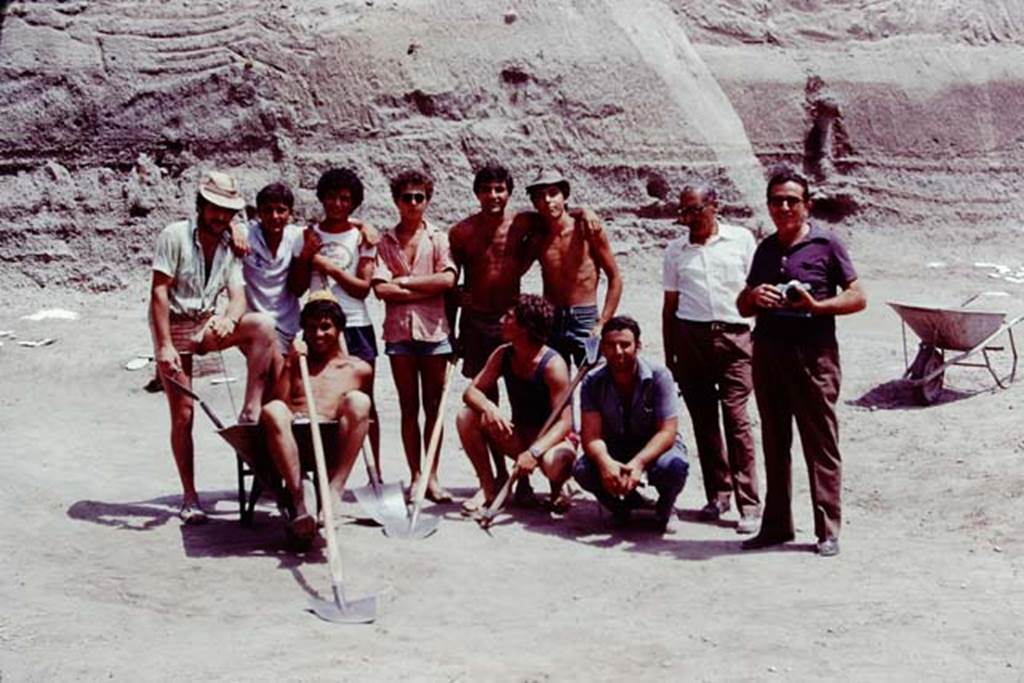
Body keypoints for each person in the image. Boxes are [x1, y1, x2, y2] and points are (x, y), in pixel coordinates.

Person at [736, 167, 866, 557]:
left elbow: (858, 296)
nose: (785, 207)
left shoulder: (827, 244)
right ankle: (776, 526)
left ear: (807, 205)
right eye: (777, 201)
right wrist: (755, 296)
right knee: (775, 441)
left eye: (793, 200)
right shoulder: (766, 249)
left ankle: (827, 530)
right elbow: (741, 305)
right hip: (769, 353)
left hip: (814, 355)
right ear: (769, 206)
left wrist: (817, 306)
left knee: (820, 443)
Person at [149, 170, 279, 524]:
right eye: (215, 209)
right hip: (175, 325)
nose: (220, 217)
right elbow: (159, 293)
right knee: (184, 415)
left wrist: (229, 320)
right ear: (201, 205)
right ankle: (190, 497)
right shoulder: (174, 235)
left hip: (206, 322)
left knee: (263, 327)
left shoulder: (229, 244)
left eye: (227, 211)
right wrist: (163, 346)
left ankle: (251, 411)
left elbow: (238, 296)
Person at [662, 183, 761, 534]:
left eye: (693, 210)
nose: (686, 219)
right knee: (704, 422)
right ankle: (718, 494)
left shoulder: (742, 241)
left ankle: (749, 502)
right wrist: (671, 354)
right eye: (683, 212)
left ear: (714, 205)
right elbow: (670, 306)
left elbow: (756, 289)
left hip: (736, 338)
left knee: (736, 420)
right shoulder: (676, 251)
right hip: (692, 340)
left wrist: (758, 338)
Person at [372, 169, 457, 502]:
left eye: (418, 197)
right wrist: (423, 288)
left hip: (434, 332)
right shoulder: (385, 241)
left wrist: (403, 284)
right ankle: (415, 475)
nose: (412, 203)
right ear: (396, 200)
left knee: (433, 407)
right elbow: (380, 288)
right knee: (409, 407)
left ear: (427, 200)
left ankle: (433, 477)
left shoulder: (438, 238)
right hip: (399, 334)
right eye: (406, 197)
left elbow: (447, 281)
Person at [289, 168, 382, 472]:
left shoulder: (362, 236)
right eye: (332, 197)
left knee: (365, 402)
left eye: (346, 199)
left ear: (354, 203)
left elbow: (362, 288)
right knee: (319, 397)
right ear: (322, 198)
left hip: (355, 324)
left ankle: (375, 472)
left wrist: (327, 266)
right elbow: (297, 287)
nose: (338, 204)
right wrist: (307, 257)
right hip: (318, 327)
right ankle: (320, 466)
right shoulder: (308, 236)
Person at [260, 295, 372, 545]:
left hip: (333, 440)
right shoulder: (295, 363)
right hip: (294, 438)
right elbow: (277, 400)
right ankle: (300, 501)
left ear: (339, 330)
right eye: (311, 328)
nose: (318, 334)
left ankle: (335, 490)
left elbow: (365, 418)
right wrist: (290, 363)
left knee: (360, 401)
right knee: (274, 410)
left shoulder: (358, 369)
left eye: (325, 327)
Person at [456, 294, 576, 515]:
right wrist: (489, 407)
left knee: (555, 463)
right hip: (519, 435)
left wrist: (534, 452)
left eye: (509, 317)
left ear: (524, 327)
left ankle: (558, 489)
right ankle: (488, 488)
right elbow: (471, 391)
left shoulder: (553, 365)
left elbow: (565, 423)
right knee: (467, 417)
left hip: (551, 441)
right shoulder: (503, 354)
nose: (501, 320)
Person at [573, 316, 689, 532]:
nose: (618, 352)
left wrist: (639, 463)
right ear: (602, 348)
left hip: (654, 446)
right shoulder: (592, 381)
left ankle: (666, 506)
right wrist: (605, 461)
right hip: (615, 446)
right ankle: (623, 506)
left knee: (673, 467)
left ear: (638, 346)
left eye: (625, 345)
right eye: (610, 345)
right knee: (583, 470)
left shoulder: (659, 376)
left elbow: (667, 432)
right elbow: (591, 435)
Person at [520, 169, 623, 367]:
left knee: (594, 378)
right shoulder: (538, 239)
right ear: (534, 203)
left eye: (553, 193)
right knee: (555, 382)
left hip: (584, 317)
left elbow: (615, 278)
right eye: (540, 196)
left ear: (564, 196)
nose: (548, 200)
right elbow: (514, 272)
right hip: (550, 317)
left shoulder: (587, 230)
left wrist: (603, 322)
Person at [240, 182, 305, 353]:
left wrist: (362, 225)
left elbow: (330, 227)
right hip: (256, 324)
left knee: (283, 377)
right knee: (266, 375)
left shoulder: (296, 236)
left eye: (281, 210)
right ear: (259, 212)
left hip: (289, 325)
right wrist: (232, 227)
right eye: (268, 210)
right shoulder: (246, 235)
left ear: (290, 212)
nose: (274, 216)